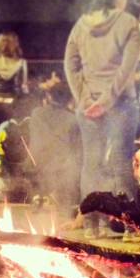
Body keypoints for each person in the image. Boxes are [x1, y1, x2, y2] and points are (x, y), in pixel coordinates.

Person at [64, 0, 140, 235]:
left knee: (91, 163)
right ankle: (133, 228)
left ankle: (92, 225)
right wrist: (107, 101)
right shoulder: (129, 22)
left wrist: (85, 99)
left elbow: (70, 65)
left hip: (87, 107)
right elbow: (127, 68)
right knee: (120, 161)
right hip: (120, 104)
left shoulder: (80, 25)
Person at [29, 82, 81, 218]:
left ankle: (39, 200)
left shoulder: (37, 113)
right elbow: (77, 148)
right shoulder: (73, 119)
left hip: (38, 163)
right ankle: (64, 208)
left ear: (49, 96)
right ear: (70, 99)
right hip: (62, 167)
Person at [0, 32, 28, 153]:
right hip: (12, 104)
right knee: (10, 134)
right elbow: (22, 85)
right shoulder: (21, 63)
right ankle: (9, 163)